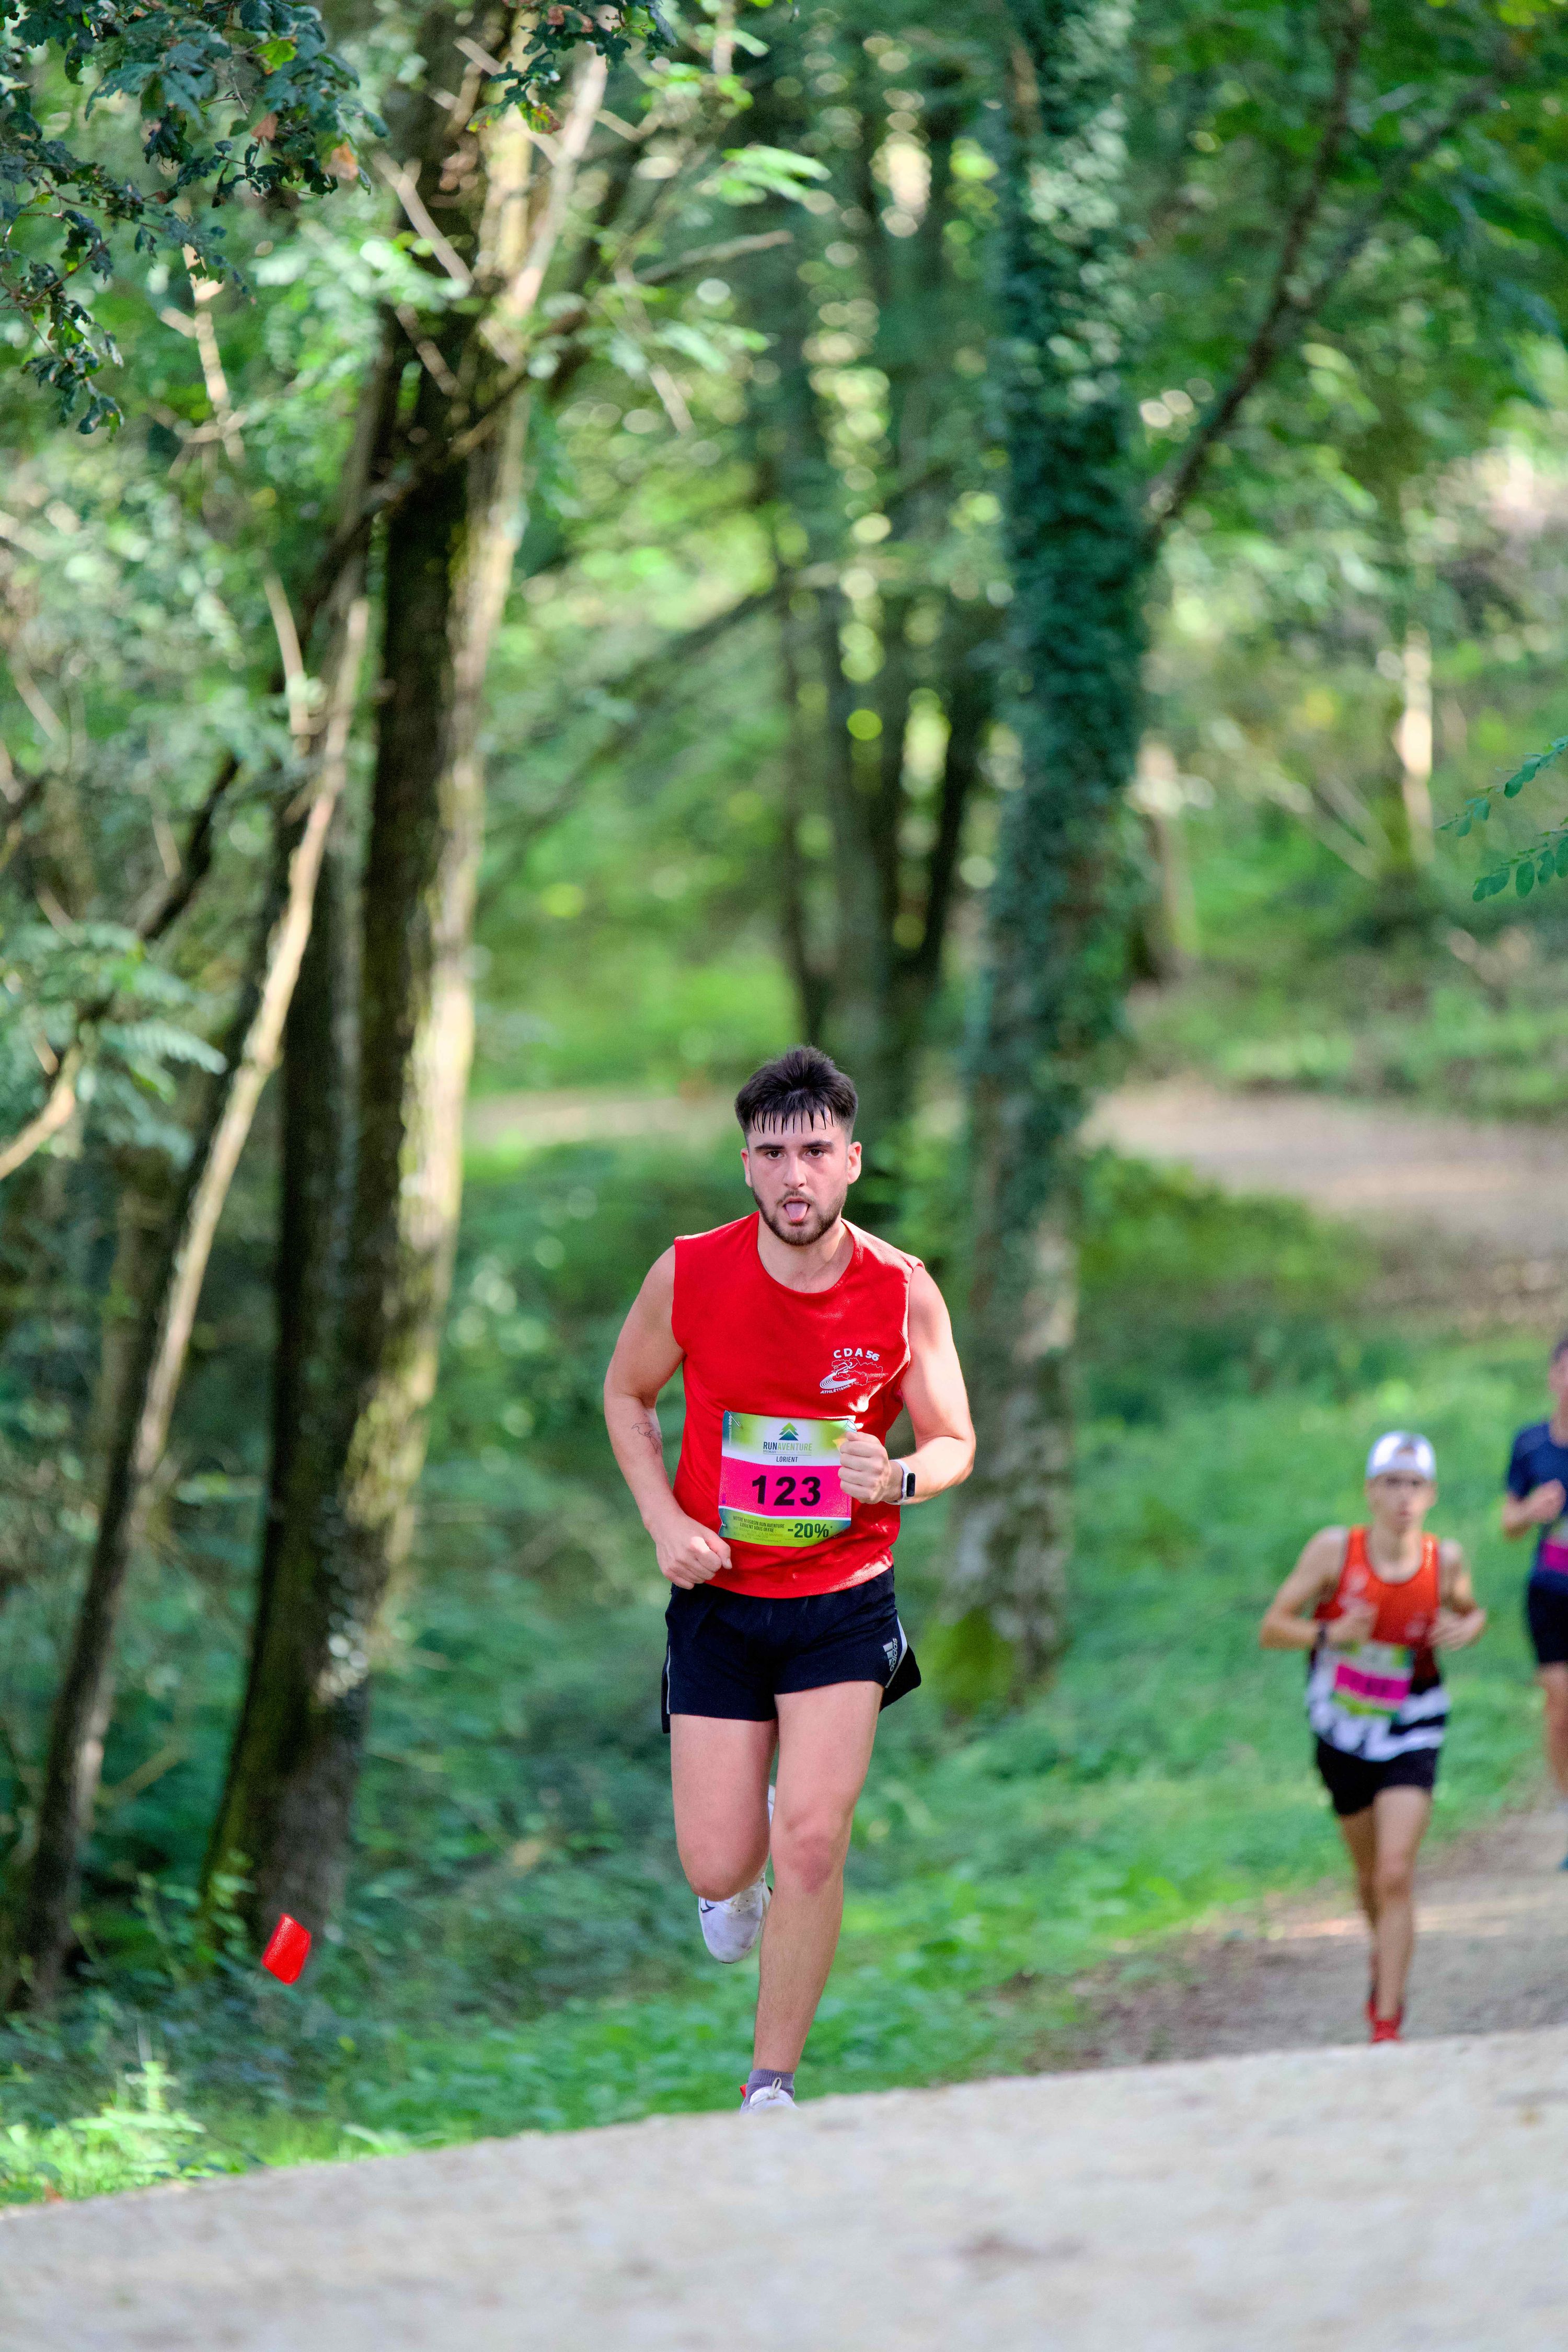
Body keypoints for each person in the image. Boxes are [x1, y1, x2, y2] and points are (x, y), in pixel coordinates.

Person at [603, 1045, 974, 2111]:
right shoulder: (690, 1272)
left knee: (813, 1841)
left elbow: (954, 1440)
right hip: (720, 1602)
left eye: (815, 1151)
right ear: (747, 1166)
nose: (794, 1174)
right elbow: (627, 1395)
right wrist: (665, 1521)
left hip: (843, 1602)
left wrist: (897, 1476)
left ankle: (769, 2087)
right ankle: (739, 1862)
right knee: (719, 1868)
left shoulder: (901, 1291)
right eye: (773, 1154)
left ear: (851, 1160)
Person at [1259, 1432, 1486, 2044]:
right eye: (1391, 1483)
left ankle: (1387, 2022)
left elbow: (1470, 1611)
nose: (1403, 1497)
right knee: (1368, 1878)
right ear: (1370, 1492)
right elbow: (1272, 1627)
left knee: (1394, 1872)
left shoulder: (1445, 1560)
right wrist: (1329, 1633)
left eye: (1415, 1484)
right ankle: (1382, 1955)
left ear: (1431, 1495)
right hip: (1342, 1725)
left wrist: (1469, 1627)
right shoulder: (1335, 1552)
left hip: (1414, 1722)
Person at [1501, 1334, 1568, 1858]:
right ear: (1552, 1376)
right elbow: (1508, 1525)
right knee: (1560, 1708)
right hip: (1549, 1591)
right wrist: (1531, 1510)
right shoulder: (1530, 1444)